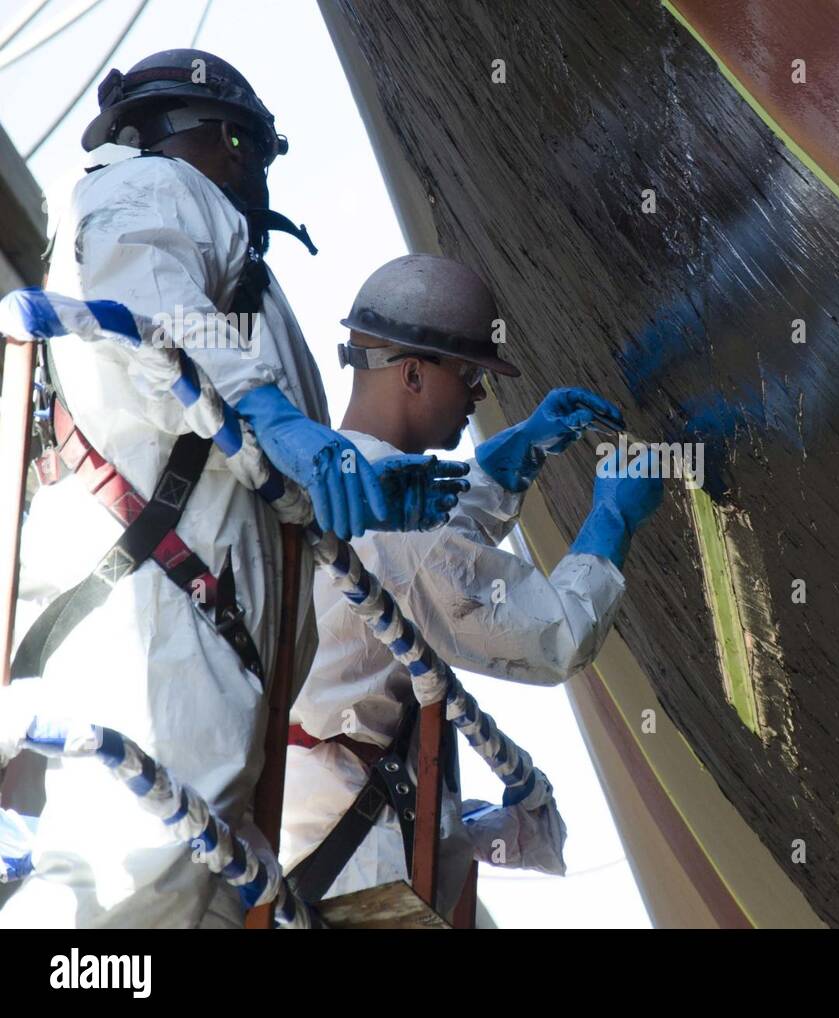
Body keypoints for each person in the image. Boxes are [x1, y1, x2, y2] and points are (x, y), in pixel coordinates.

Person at [0, 51, 463, 929]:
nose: (258, 175)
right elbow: (152, 296)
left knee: (192, 889)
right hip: (156, 632)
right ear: (221, 137)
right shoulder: (150, 188)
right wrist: (275, 420)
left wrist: (340, 481)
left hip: (219, 657)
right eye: (256, 151)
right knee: (130, 884)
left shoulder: (238, 261)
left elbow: (258, 467)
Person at [279, 254, 663, 911]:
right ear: (412, 374)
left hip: (324, 829)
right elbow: (555, 638)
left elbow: (434, 546)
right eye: (470, 375)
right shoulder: (402, 533)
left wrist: (523, 448)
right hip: (357, 860)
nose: (480, 394)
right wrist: (613, 517)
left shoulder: (345, 477)